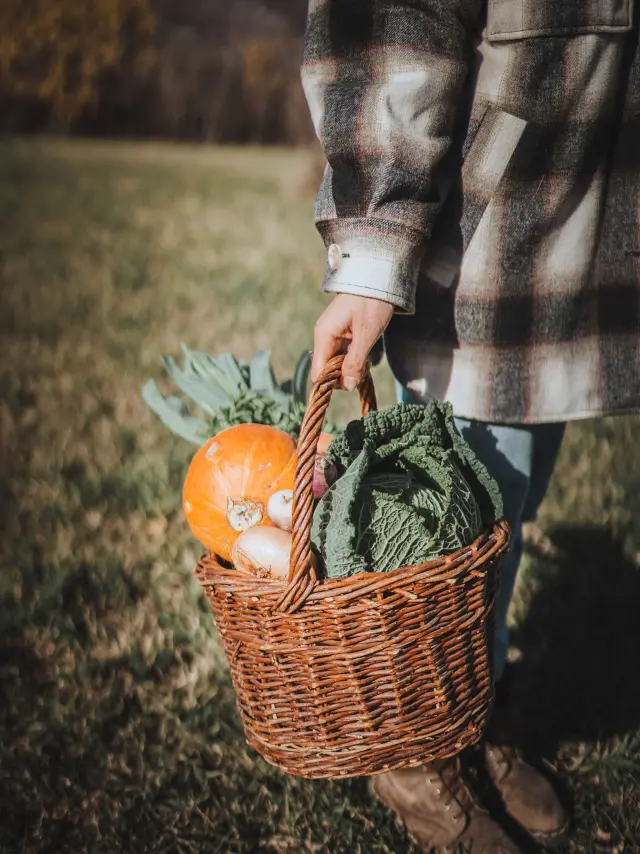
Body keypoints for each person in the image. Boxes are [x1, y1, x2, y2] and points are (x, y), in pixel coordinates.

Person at [302, 1, 640, 851]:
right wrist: (375, 247)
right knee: (455, 512)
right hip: (490, 231)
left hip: (586, 218)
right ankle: (417, 747)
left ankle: (471, 702)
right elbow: (388, 21)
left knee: (510, 503)